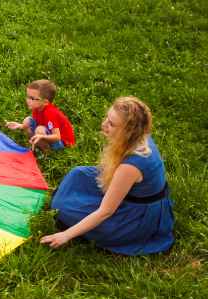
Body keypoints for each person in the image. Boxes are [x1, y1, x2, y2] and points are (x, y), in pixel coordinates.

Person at [42, 97, 174, 255]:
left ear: (128, 131)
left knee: (65, 209)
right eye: (107, 118)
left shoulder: (131, 166)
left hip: (136, 217)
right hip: (131, 192)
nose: (104, 125)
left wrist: (65, 235)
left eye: (111, 124)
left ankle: (76, 218)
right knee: (78, 174)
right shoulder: (137, 136)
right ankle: (67, 201)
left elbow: (106, 211)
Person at [5, 79, 75, 151]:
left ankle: (47, 151)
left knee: (40, 129)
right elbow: (36, 122)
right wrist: (20, 126)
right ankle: (35, 142)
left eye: (32, 98)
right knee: (27, 120)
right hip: (47, 133)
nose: (28, 100)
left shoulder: (50, 113)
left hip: (62, 142)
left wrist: (41, 136)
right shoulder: (37, 108)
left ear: (45, 102)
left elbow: (57, 137)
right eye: (28, 96)